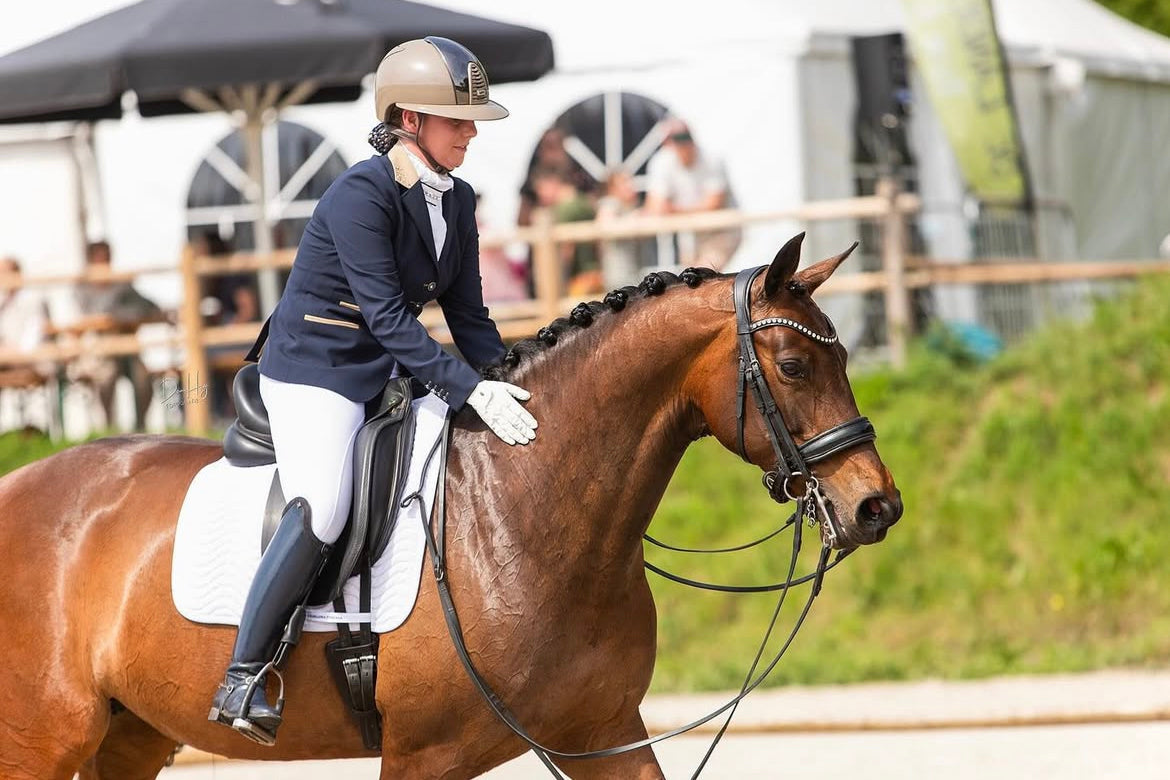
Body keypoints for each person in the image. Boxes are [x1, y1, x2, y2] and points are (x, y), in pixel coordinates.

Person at [208, 36, 538, 746]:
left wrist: (512, 381)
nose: (473, 133)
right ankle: (243, 673)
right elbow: (387, 317)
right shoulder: (360, 193)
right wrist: (465, 392)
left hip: (387, 370)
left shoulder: (459, 195)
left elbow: (469, 316)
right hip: (316, 372)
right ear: (409, 120)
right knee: (324, 503)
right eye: (459, 120)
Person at [70, 241, 163, 431]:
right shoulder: (82, 287)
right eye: (100, 259)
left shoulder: (121, 284)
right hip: (98, 352)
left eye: (107, 259)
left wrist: (120, 314)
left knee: (143, 379)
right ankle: (108, 428)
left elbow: (146, 307)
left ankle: (140, 428)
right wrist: (119, 308)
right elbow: (96, 315)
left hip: (127, 349)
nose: (105, 264)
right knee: (106, 378)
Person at [644, 119, 742, 270]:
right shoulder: (662, 161)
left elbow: (713, 204)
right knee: (693, 279)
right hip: (691, 233)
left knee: (702, 273)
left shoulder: (711, 159)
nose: (683, 144)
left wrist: (673, 210)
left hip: (721, 232)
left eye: (684, 137)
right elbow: (655, 207)